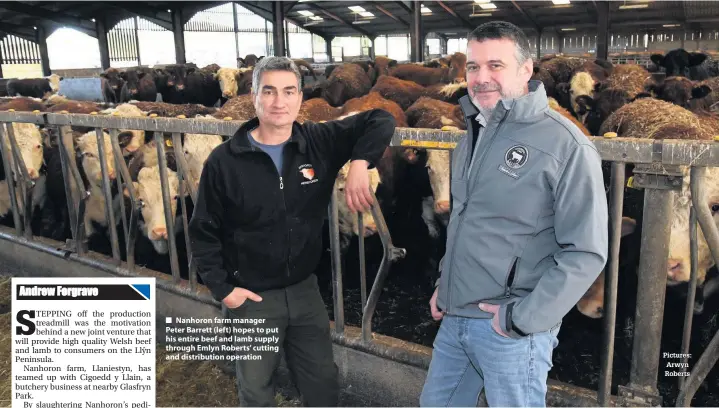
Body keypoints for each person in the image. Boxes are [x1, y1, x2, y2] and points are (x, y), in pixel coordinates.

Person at [420, 21, 608, 407]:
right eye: (473, 67)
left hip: (509, 328)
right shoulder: (470, 135)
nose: (481, 77)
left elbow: (586, 251)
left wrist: (522, 318)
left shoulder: (566, 145)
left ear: (526, 69)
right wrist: (445, 283)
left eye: (495, 66)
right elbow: (464, 223)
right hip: (456, 315)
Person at [188, 56, 396, 407]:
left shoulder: (319, 141)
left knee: (322, 384)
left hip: (304, 291)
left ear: (301, 97)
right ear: (253, 96)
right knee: (256, 390)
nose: (278, 102)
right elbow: (203, 230)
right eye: (268, 91)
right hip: (251, 298)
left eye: (288, 91)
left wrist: (361, 162)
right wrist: (224, 290)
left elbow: (381, 118)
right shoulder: (225, 160)